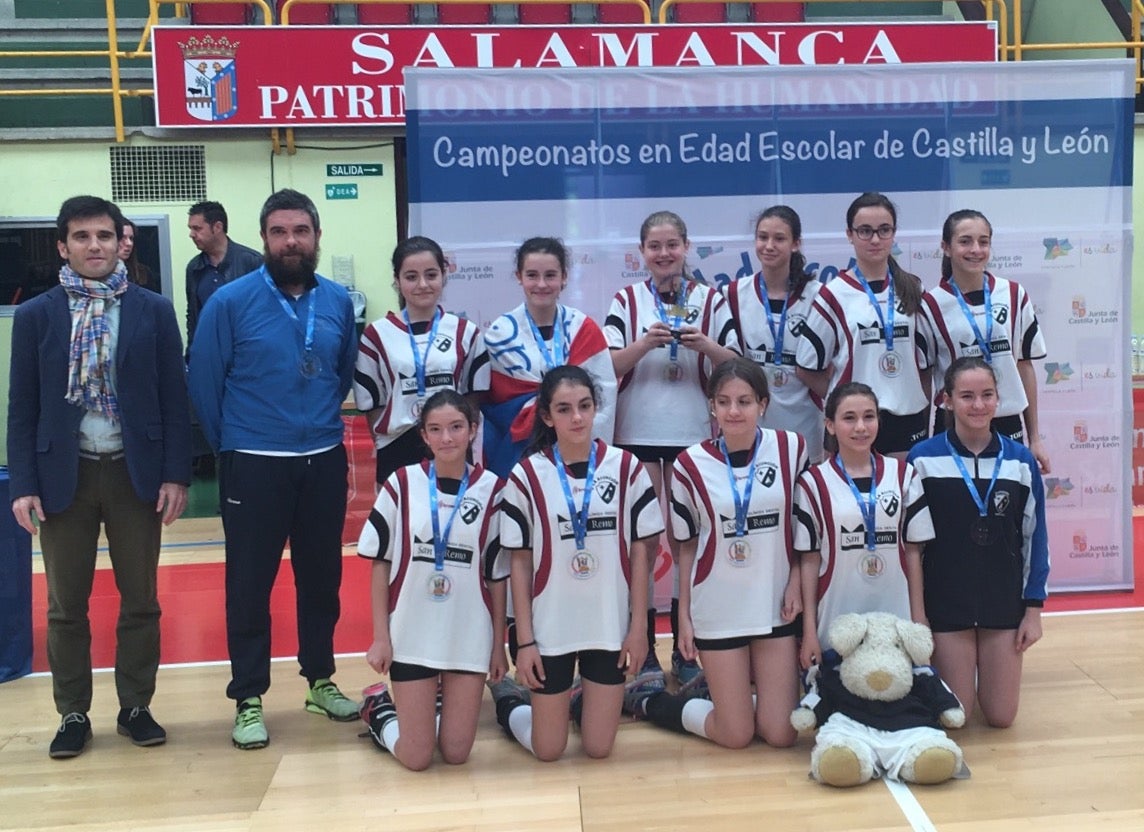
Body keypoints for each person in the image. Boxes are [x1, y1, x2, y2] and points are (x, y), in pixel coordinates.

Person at [6, 195, 191, 759]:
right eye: (82, 237)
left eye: (104, 236)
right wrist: (23, 483)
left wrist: (176, 474)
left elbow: (174, 397)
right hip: (64, 476)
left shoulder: (153, 310)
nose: (94, 246)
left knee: (141, 600)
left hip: (136, 473)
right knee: (66, 606)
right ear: (63, 247)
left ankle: (135, 706)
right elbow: (22, 406)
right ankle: (73, 713)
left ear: (121, 244)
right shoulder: (36, 315)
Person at [187, 189, 359, 750]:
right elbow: (205, 384)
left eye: (300, 231)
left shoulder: (337, 301)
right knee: (249, 584)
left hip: (322, 459)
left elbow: (339, 371)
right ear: (263, 238)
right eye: (280, 232)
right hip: (253, 462)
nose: (291, 241)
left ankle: (320, 680)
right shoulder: (229, 302)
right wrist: (237, 444)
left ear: (317, 237)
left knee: (322, 579)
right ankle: (248, 698)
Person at [624, 358, 804, 749]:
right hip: (718, 607)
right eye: (723, 402)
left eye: (744, 401)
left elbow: (802, 528)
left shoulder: (791, 448)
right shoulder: (690, 464)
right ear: (712, 406)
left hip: (774, 605)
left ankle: (733, 698)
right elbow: (686, 548)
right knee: (735, 735)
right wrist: (685, 616)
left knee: (781, 734)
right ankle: (652, 703)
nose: (733, 411)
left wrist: (795, 582)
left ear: (763, 404)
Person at [488, 365, 662, 762]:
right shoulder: (526, 476)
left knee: (599, 749)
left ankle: (583, 701)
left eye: (584, 406)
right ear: (547, 416)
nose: (577, 417)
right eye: (564, 409)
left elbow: (642, 553)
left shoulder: (626, 468)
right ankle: (508, 702)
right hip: (550, 628)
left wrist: (638, 628)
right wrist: (525, 641)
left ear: (597, 407)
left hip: (607, 626)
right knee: (548, 750)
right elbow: (519, 563)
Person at [605, 210, 739, 690]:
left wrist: (706, 346)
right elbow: (607, 366)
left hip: (693, 434)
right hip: (637, 430)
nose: (664, 254)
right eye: (654, 246)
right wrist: (644, 345)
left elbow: (737, 365)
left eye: (672, 245)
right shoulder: (626, 300)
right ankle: (640, 647)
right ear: (642, 252)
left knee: (689, 541)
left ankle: (688, 650)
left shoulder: (711, 300)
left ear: (686, 247)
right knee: (641, 542)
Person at [358, 390, 507, 770]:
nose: (447, 438)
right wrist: (381, 637)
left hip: (467, 634)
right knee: (417, 757)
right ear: (423, 435)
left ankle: (429, 711)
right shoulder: (401, 484)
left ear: (472, 429)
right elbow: (380, 564)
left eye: (456, 427)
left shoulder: (493, 490)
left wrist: (498, 646)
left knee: (456, 754)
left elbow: (497, 576)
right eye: (436, 429)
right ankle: (379, 710)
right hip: (412, 633)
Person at [906, 356, 1049, 728]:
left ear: (999, 399)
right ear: (947, 401)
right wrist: (919, 615)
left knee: (1001, 717)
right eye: (967, 396)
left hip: (1002, 602)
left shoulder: (1020, 461)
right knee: (958, 717)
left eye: (987, 395)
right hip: (946, 604)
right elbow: (912, 546)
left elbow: (1036, 537)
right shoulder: (923, 460)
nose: (978, 405)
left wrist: (1033, 610)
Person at [793, 382, 933, 671]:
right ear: (830, 425)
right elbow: (809, 560)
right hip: (835, 617)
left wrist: (918, 621)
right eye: (849, 418)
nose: (860, 427)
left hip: (896, 614)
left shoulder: (904, 475)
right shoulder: (812, 483)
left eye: (869, 417)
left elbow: (913, 553)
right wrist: (809, 632)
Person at [796, 192, 929, 460]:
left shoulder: (913, 288)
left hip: (907, 419)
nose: (875, 239)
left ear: (894, 233)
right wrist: (842, 399)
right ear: (850, 234)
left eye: (884, 230)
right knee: (849, 488)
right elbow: (806, 368)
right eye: (865, 231)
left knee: (904, 487)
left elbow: (926, 366)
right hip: (854, 421)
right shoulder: (833, 294)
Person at [920, 209, 1050, 472]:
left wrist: (1035, 437)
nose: (976, 249)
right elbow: (925, 376)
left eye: (983, 241)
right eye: (965, 241)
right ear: (946, 247)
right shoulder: (931, 304)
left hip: (1006, 419)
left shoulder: (1013, 294)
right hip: (952, 422)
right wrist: (923, 438)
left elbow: (1024, 366)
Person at [354, 237, 489, 485]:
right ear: (397, 280)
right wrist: (385, 439)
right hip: (397, 445)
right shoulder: (376, 335)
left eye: (431, 275)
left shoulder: (466, 332)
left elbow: (473, 397)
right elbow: (372, 402)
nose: (423, 284)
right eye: (411, 276)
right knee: (401, 510)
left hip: (452, 443)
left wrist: (461, 436)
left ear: (444, 275)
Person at [481, 237, 615, 479]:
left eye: (550, 275)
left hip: (578, 450)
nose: (541, 284)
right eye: (532, 275)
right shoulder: (499, 335)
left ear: (564, 277)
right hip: (519, 454)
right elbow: (493, 405)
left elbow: (603, 394)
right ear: (519, 277)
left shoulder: (584, 329)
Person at [725, 205, 825, 463]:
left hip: (805, 422)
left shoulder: (819, 296)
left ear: (796, 243)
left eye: (779, 238)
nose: (769, 246)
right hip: (750, 424)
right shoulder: (734, 294)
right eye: (762, 237)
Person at [184, 200, 262, 356]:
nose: (191, 234)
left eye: (197, 228)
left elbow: (266, 311)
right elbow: (192, 315)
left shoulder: (252, 262)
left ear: (217, 227)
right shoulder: (194, 268)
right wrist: (192, 354)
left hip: (248, 352)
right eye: (191, 229)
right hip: (209, 352)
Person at [119, 218, 156, 290]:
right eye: (123, 238)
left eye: (131, 238)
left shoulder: (143, 273)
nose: (129, 243)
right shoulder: (101, 272)